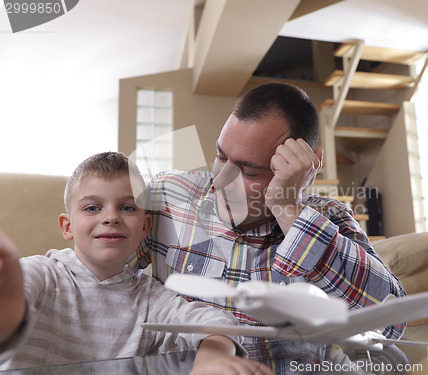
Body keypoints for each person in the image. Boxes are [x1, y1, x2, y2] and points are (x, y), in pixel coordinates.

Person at [128, 82, 406, 344]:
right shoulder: (168, 195)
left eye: (249, 171)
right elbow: (97, 277)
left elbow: (392, 326)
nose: (221, 181)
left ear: (305, 167)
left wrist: (288, 209)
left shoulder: (329, 217)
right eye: (221, 156)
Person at [0, 152, 274, 375]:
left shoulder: (149, 297)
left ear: (145, 227)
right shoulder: (44, 274)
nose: (111, 217)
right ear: (67, 226)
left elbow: (215, 321)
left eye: (127, 207)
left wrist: (212, 360)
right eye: (92, 208)